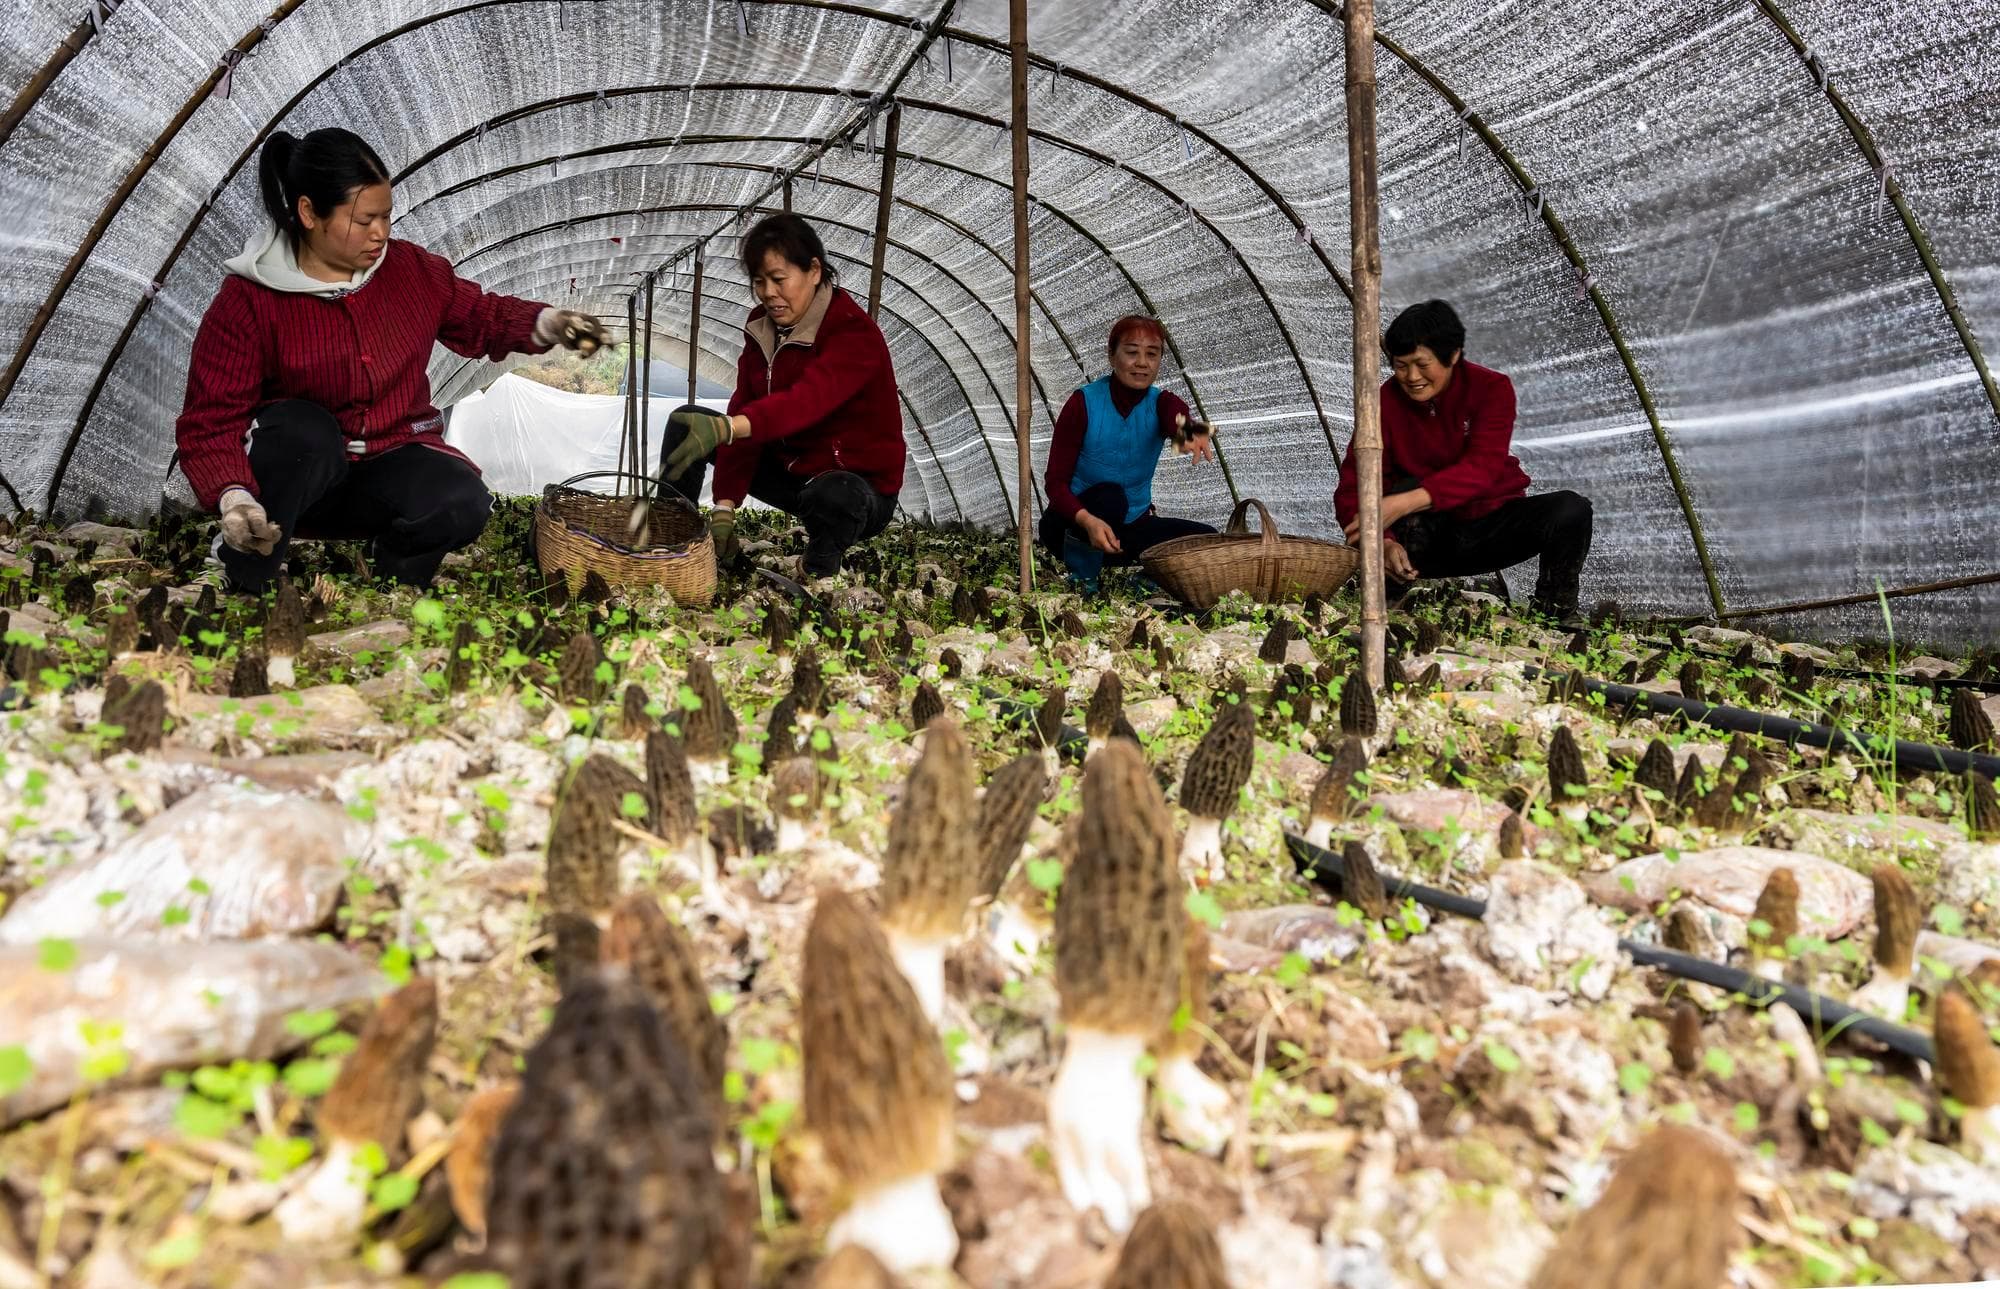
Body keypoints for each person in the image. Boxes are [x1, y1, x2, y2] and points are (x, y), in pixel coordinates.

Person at [175, 128, 606, 594]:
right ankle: (244, 568)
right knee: (302, 429)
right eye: (363, 221)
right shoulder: (251, 299)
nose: (380, 233)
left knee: (461, 501)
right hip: (297, 482)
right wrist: (233, 496)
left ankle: (395, 577)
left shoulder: (411, 273)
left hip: (385, 466)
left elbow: (483, 317)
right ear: (308, 213)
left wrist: (550, 323)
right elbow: (211, 419)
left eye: (386, 217)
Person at [656, 213, 904, 583]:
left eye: (778, 279)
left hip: (858, 490)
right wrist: (724, 507)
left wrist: (727, 427)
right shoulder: (762, 327)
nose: (769, 292)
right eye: (759, 282)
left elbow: (805, 402)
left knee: (836, 493)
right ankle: (672, 544)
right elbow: (746, 410)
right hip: (793, 474)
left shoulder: (852, 333)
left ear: (814, 271)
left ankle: (817, 572)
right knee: (685, 422)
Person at [1334, 299, 1594, 627]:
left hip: (1488, 526)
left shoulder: (1491, 389)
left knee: (1571, 509)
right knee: (1393, 497)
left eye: (1421, 364)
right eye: (1401, 365)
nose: (1411, 376)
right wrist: (1382, 541)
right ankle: (1388, 592)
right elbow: (1352, 487)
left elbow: (1482, 468)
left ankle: (1556, 611)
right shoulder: (1382, 403)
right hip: (1423, 540)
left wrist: (1402, 503)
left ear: (1453, 356)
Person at [1040, 315, 1218, 591]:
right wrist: (1087, 521)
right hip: (1072, 528)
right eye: (1132, 352)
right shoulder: (1083, 403)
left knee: (1206, 538)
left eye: (1152, 354)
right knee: (1111, 496)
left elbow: (1176, 415)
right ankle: (1083, 579)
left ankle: (1148, 580)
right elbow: (1055, 483)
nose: (1142, 363)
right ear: (1112, 356)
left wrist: (1188, 433)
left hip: (1126, 531)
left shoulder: (1161, 402)